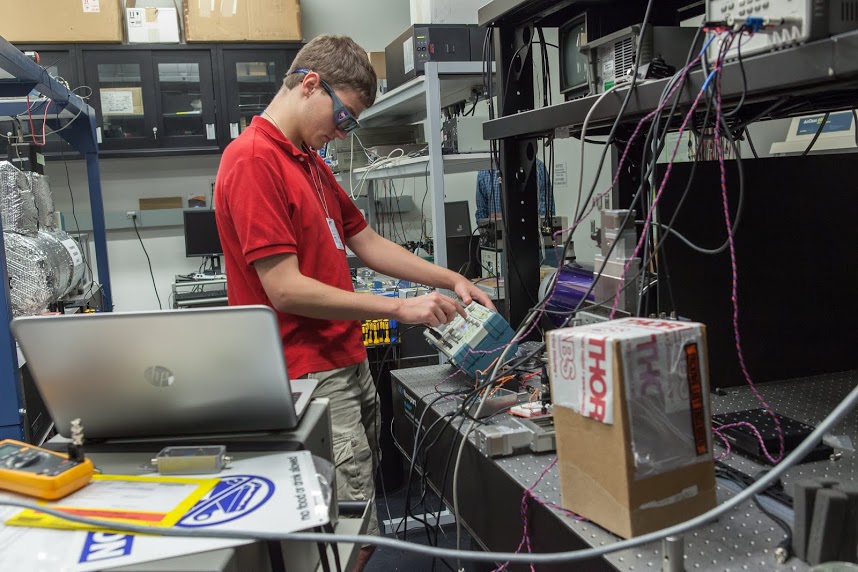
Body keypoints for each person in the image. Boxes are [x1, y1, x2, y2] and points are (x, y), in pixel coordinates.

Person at [214, 35, 494, 571]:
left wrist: (451, 277)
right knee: (343, 536)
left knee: (358, 518)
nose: (343, 130)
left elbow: (366, 241)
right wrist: (398, 308)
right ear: (311, 84)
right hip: (305, 373)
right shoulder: (253, 161)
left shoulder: (309, 164)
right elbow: (286, 289)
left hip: (344, 362)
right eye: (344, 116)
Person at [475, 158, 555, 220]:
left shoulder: (537, 167)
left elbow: (547, 213)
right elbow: (481, 214)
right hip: (497, 238)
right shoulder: (485, 172)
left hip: (530, 236)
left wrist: (507, 218)